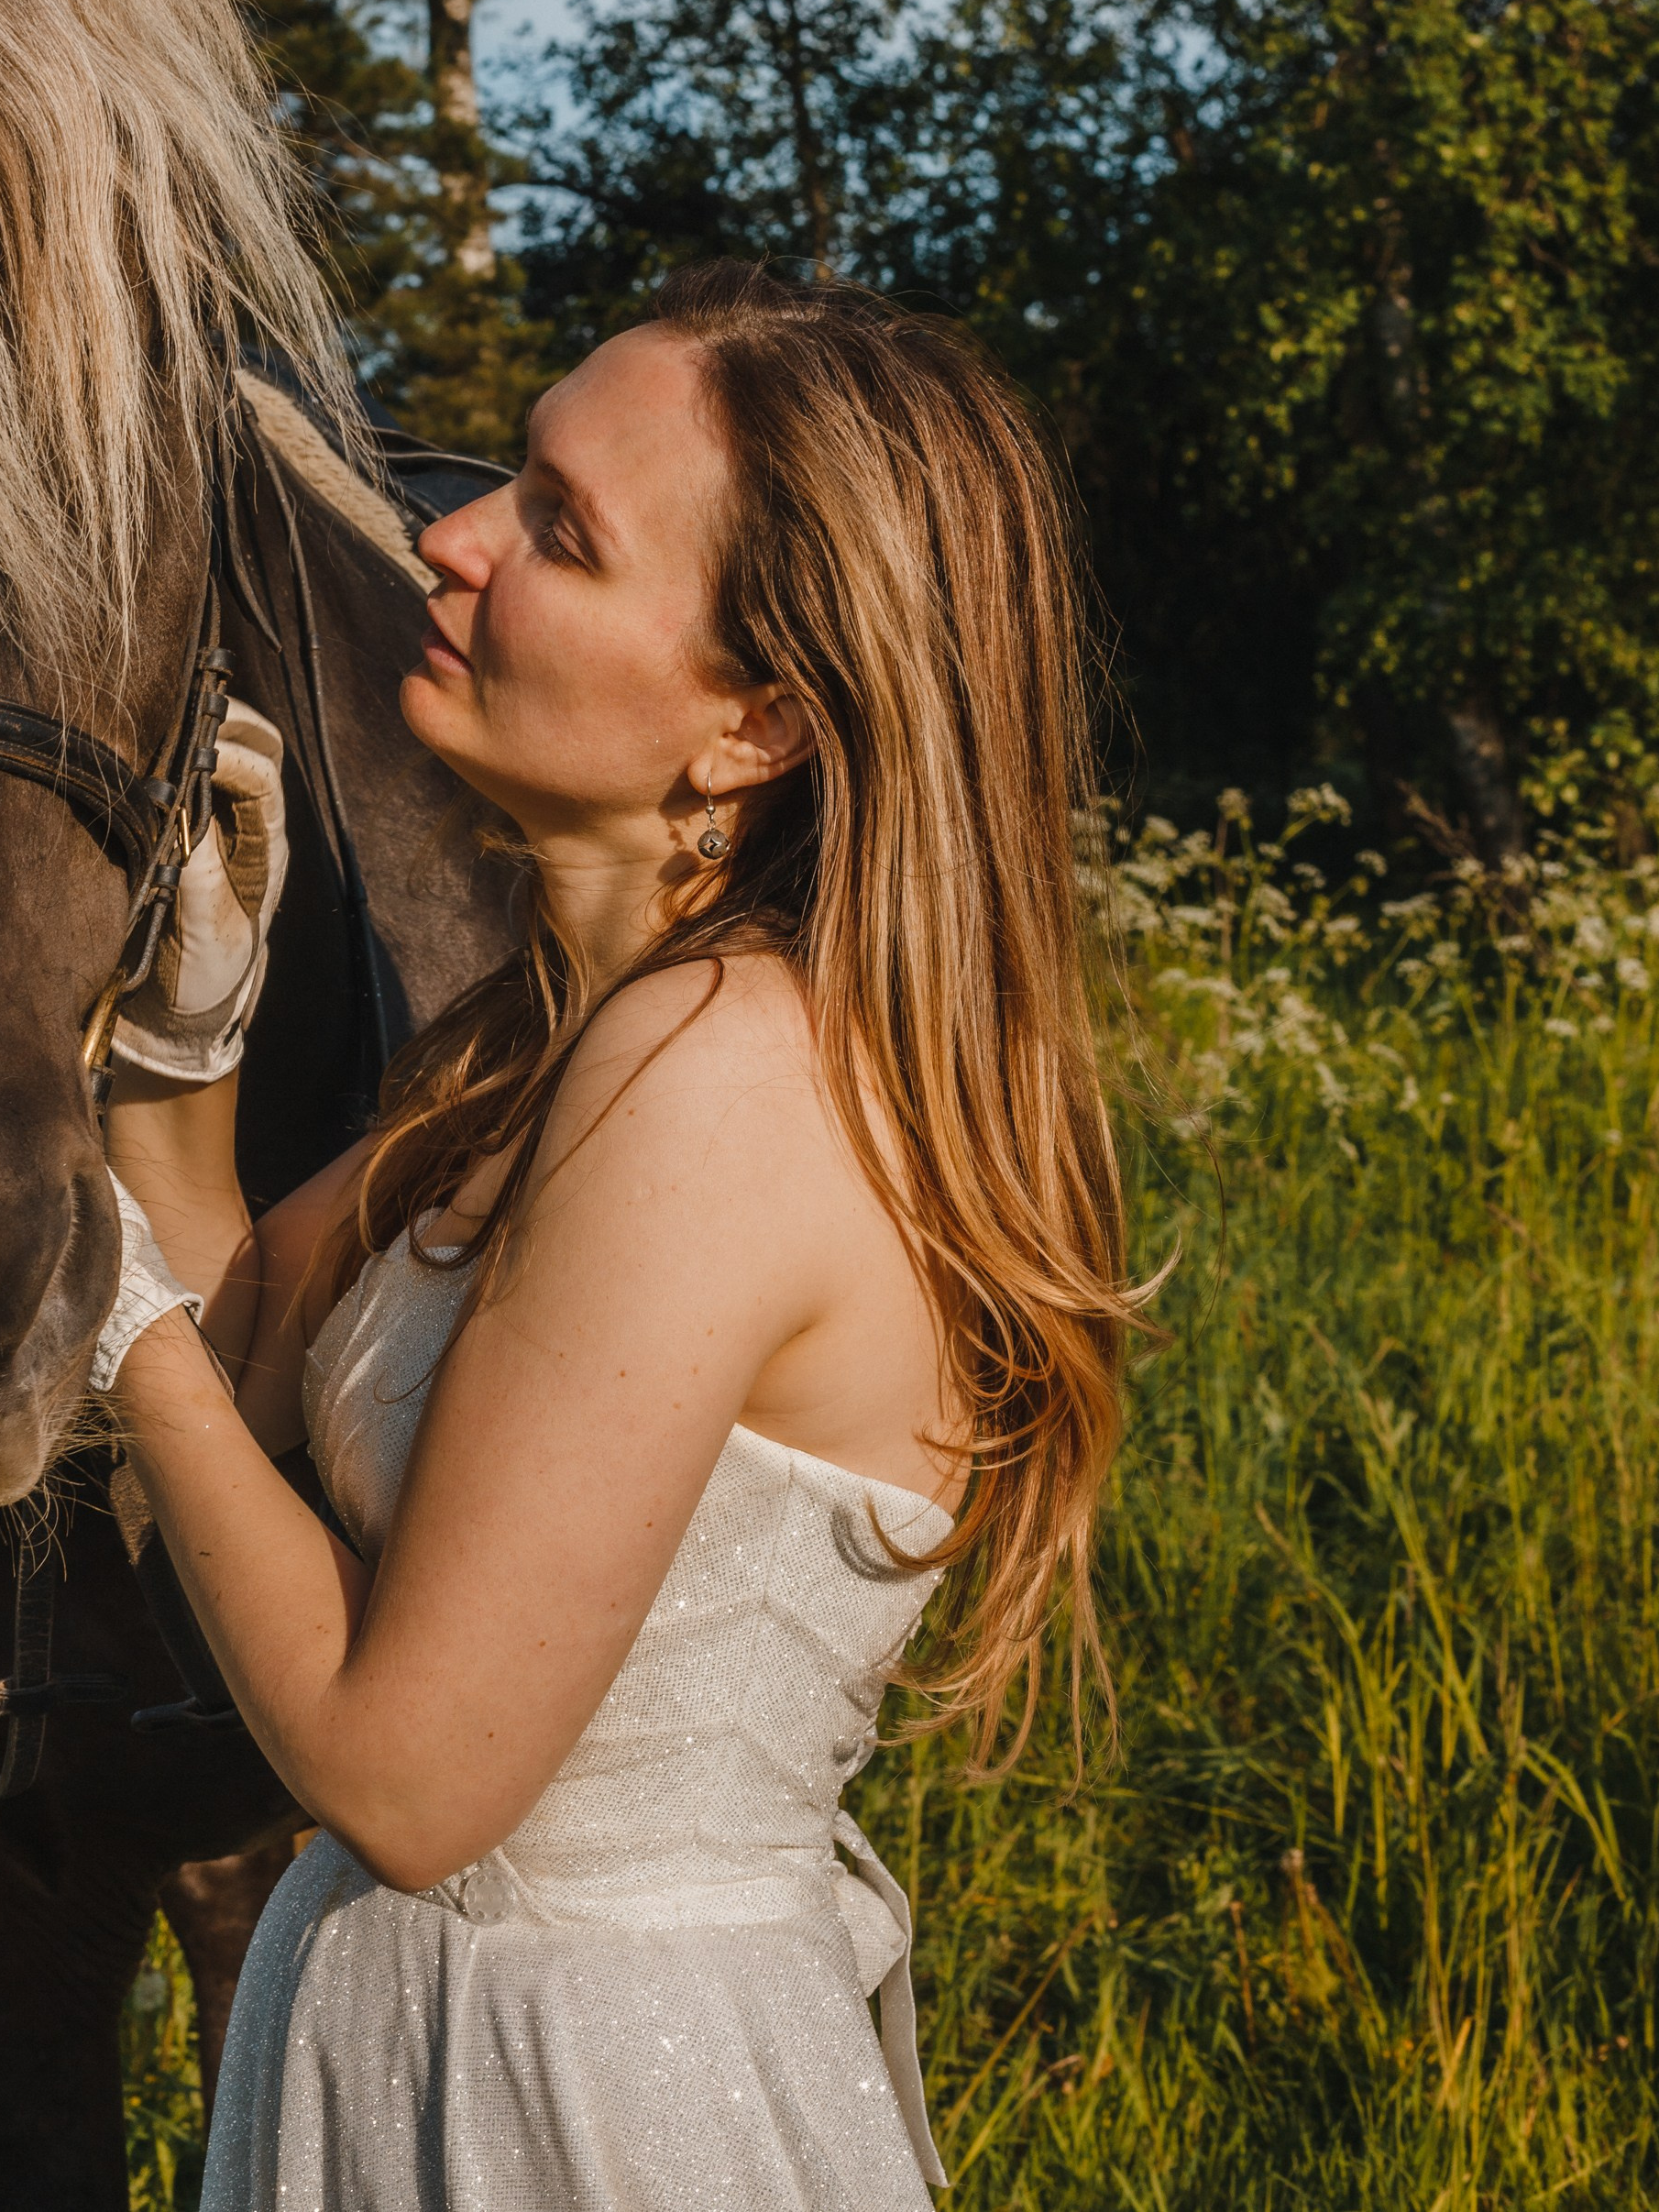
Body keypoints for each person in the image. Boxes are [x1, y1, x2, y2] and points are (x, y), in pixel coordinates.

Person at [97, 261, 1138, 2212]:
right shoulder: (549, 1032)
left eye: (557, 530)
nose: (450, 533)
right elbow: (229, 1365)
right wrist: (174, 1053)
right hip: (437, 2031)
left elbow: (407, 1775)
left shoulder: (711, 1075)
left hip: (574, 2096)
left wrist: (88, 1314)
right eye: (509, 476)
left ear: (755, 720)